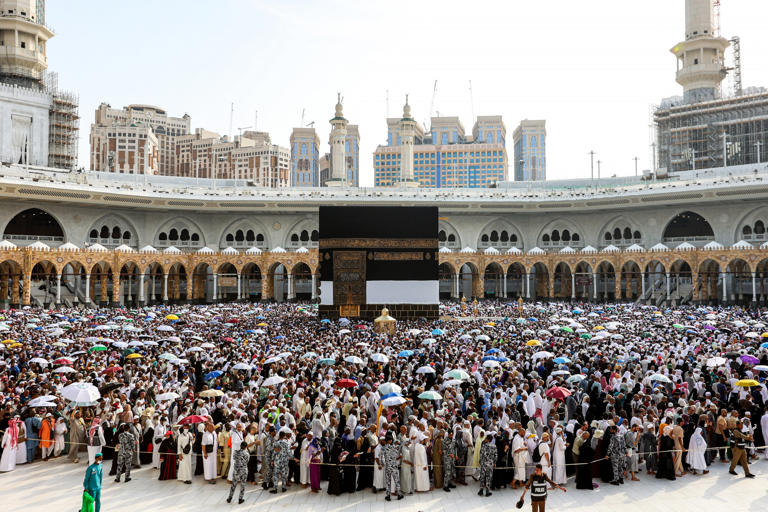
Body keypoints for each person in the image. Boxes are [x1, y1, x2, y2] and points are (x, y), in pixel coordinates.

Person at [382, 434, 403, 501]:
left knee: (388, 481)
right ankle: (399, 494)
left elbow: (380, 457)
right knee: (396, 480)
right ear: (391, 440)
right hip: (394, 466)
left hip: (387, 467)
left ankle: (388, 496)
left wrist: (382, 463)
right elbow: (398, 454)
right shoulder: (394, 447)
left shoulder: (383, 448)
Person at [478, 432, 497, 497]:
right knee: (488, 477)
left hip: (483, 463)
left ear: (488, 439)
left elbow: (481, 454)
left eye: (486, 438)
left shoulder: (483, 446)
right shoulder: (494, 446)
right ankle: (487, 491)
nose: (485, 439)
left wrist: (480, 461)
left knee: (482, 477)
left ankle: (481, 490)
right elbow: (495, 456)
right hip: (490, 464)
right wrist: (494, 463)